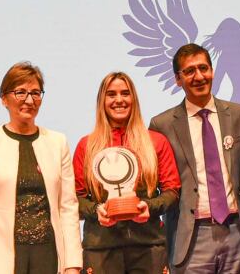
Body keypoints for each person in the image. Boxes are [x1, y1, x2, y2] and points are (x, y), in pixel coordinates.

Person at [0, 62, 82, 274]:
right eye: (20, 92)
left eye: (35, 93)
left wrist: (72, 263)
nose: (29, 100)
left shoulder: (57, 142)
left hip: (48, 253)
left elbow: (68, 208)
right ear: (4, 99)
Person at [149, 43, 240, 273]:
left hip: (237, 231)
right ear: (178, 79)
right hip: (190, 235)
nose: (199, 76)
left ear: (212, 71)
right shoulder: (162, 125)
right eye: (189, 71)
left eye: (203, 68)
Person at [72, 72, 181, 274]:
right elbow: (74, 199)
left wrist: (148, 206)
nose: (119, 100)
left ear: (134, 99)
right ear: (102, 101)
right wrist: (97, 210)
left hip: (148, 247)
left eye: (125, 93)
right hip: (100, 249)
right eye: (111, 94)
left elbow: (172, 191)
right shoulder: (86, 146)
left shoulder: (155, 141)